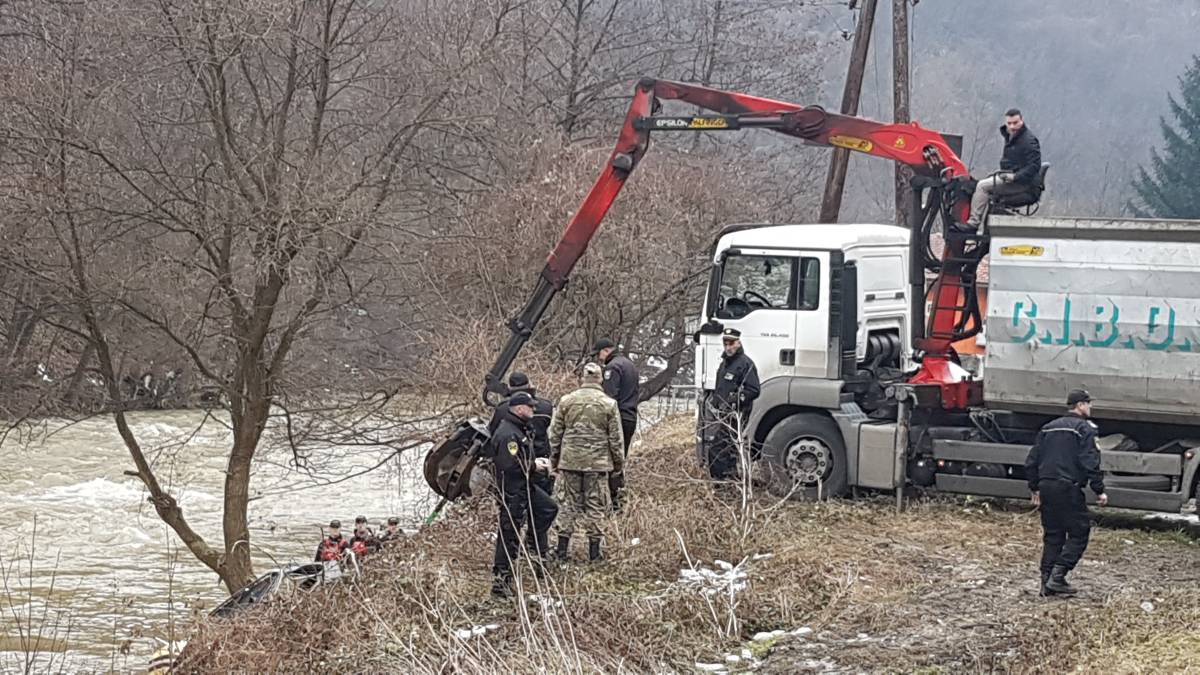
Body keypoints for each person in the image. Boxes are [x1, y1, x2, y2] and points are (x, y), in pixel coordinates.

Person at [1024, 389, 1108, 596]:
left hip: (1047, 486)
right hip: (1068, 486)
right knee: (1080, 532)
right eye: (1088, 403)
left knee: (1053, 535)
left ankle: (1045, 583)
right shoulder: (1084, 429)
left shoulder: (1048, 428)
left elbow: (1032, 460)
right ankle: (1058, 576)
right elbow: (1089, 461)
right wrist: (1099, 489)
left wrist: (1035, 486)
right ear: (1080, 405)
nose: (1090, 407)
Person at [549, 362, 624, 562]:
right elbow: (616, 439)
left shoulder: (566, 401)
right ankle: (594, 554)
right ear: (600, 379)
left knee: (568, 504)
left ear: (582, 378)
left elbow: (555, 434)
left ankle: (562, 551)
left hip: (570, 462)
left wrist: (554, 459)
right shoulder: (609, 404)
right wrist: (618, 464)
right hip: (598, 464)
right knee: (596, 506)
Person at [488, 391, 558, 598]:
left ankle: (531, 544)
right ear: (519, 409)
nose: (534, 409)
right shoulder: (508, 434)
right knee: (509, 534)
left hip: (526, 486)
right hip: (512, 490)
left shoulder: (520, 428)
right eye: (530, 406)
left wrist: (538, 464)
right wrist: (534, 465)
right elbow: (509, 465)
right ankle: (501, 583)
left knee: (548, 509)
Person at [965, 108, 1042, 228]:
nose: (1012, 127)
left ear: (1022, 121)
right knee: (980, 184)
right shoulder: (1012, 137)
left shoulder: (1029, 141)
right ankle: (986, 228)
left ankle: (973, 224)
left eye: (1015, 123)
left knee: (982, 187)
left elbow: (1034, 166)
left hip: (1024, 184)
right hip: (1011, 178)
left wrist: (1015, 177)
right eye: (1009, 123)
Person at [706, 328, 760, 480]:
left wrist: (734, 401)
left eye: (731, 344)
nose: (728, 348)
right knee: (727, 450)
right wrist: (714, 403)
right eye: (726, 344)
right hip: (722, 414)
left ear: (738, 343)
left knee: (718, 450)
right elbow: (721, 387)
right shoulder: (725, 364)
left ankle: (722, 482)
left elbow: (754, 390)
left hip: (736, 414)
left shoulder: (745, 364)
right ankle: (731, 481)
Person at [594, 338, 639, 511]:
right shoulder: (629, 364)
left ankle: (613, 503)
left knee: (611, 461)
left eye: (599, 354)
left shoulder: (613, 368)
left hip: (618, 418)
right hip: (630, 417)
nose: (599, 359)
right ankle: (619, 501)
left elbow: (609, 398)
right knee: (620, 459)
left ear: (606, 351)